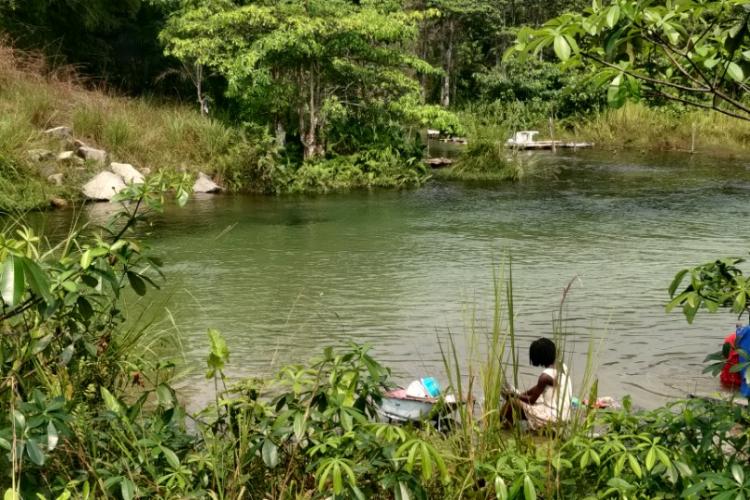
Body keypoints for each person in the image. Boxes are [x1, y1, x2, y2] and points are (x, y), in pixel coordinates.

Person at [501, 337, 573, 430]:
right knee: (526, 399)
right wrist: (522, 394)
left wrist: (514, 395)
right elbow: (538, 388)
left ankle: (506, 429)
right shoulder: (562, 366)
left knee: (512, 403)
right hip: (565, 416)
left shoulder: (544, 376)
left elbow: (531, 400)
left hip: (553, 418)